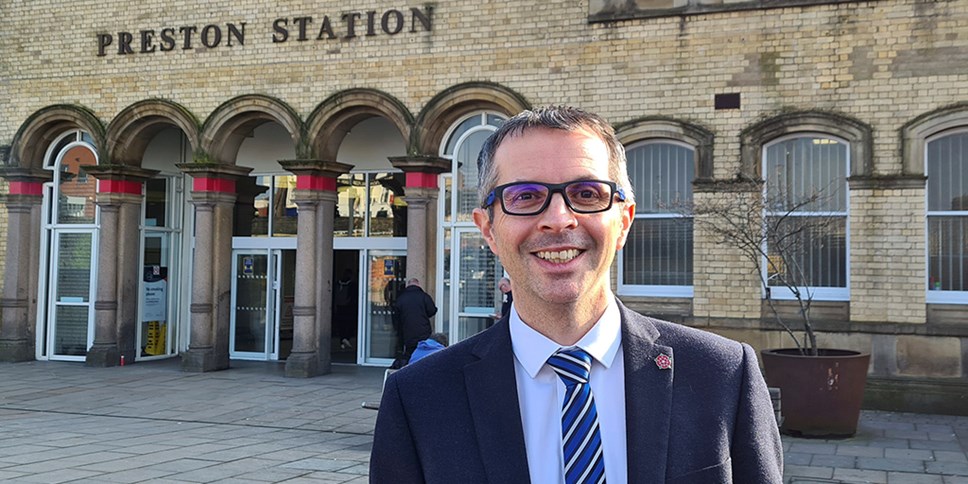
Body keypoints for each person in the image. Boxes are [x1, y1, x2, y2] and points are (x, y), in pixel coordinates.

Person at [370, 106, 783, 483]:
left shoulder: (722, 375)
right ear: (488, 229)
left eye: (586, 194)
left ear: (623, 221)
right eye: (525, 196)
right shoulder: (419, 399)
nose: (558, 219)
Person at [391, 278, 438, 363]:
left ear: (408, 285)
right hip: (423, 331)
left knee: (410, 354)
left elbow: (396, 318)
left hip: (407, 332)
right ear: (418, 285)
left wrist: (398, 331)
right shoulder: (424, 296)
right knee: (424, 353)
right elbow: (432, 310)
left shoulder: (401, 298)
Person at [333, 269, 357, 350]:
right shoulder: (352, 285)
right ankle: (346, 338)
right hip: (349, 307)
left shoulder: (337, 283)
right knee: (350, 323)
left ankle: (342, 340)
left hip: (339, 307)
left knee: (341, 324)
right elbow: (354, 297)